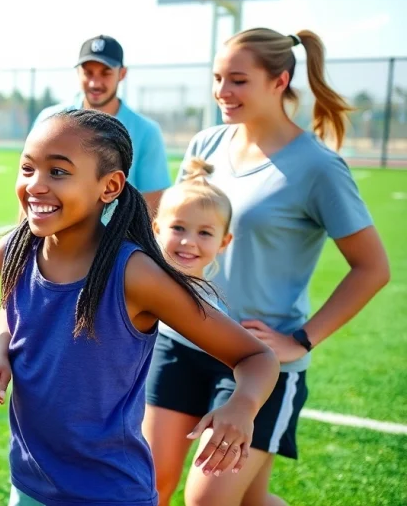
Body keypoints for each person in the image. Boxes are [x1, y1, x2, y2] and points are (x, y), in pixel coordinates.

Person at [0, 108, 279, 506]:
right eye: (28, 168)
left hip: (110, 493)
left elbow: (255, 357)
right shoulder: (11, 252)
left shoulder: (134, 275)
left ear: (110, 186)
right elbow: (11, 310)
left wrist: (242, 406)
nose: (36, 185)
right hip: (29, 486)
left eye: (58, 172)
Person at [160, 27, 390, 506]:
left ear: (279, 81)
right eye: (218, 78)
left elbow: (372, 268)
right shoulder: (205, 144)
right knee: (148, 485)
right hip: (180, 342)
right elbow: (171, 233)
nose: (223, 92)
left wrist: (301, 339)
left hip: (256, 361)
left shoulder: (318, 167)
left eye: (238, 80)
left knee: (208, 500)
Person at [140, 156, 238, 505]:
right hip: (173, 360)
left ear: (224, 242)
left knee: (225, 492)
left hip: (230, 373)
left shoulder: (218, 301)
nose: (188, 242)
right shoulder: (142, 276)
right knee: (152, 479)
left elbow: (251, 359)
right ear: (156, 229)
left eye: (205, 233)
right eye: (178, 228)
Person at [33, 35, 170, 213]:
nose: (95, 83)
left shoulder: (146, 131)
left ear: (122, 74)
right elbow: (31, 184)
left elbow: (153, 203)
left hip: (118, 239)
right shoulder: (50, 120)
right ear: (78, 72)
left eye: (105, 73)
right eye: (88, 72)